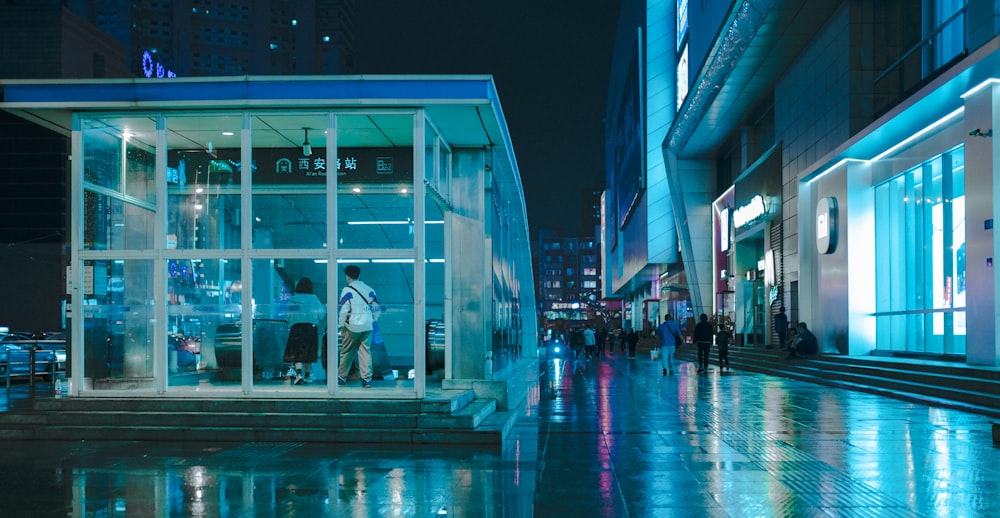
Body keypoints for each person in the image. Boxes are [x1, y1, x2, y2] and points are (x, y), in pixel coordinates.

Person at [337, 265, 381, 388]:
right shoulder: (369, 289)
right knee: (365, 352)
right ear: (359, 275)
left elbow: (344, 309)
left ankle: (341, 378)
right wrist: (372, 319)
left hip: (351, 326)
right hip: (367, 326)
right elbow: (377, 308)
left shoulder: (347, 290)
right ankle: (367, 380)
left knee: (346, 352)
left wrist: (341, 325)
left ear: (347, 276)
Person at [283, 277, 326, 385]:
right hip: (310, 328)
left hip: (296, 327)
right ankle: (307, 375)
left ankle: (298, 374)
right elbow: (321, 314)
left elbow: (287, 315)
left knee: (297, 351)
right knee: (309, 352)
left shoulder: (293, 299)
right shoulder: (314, 299)